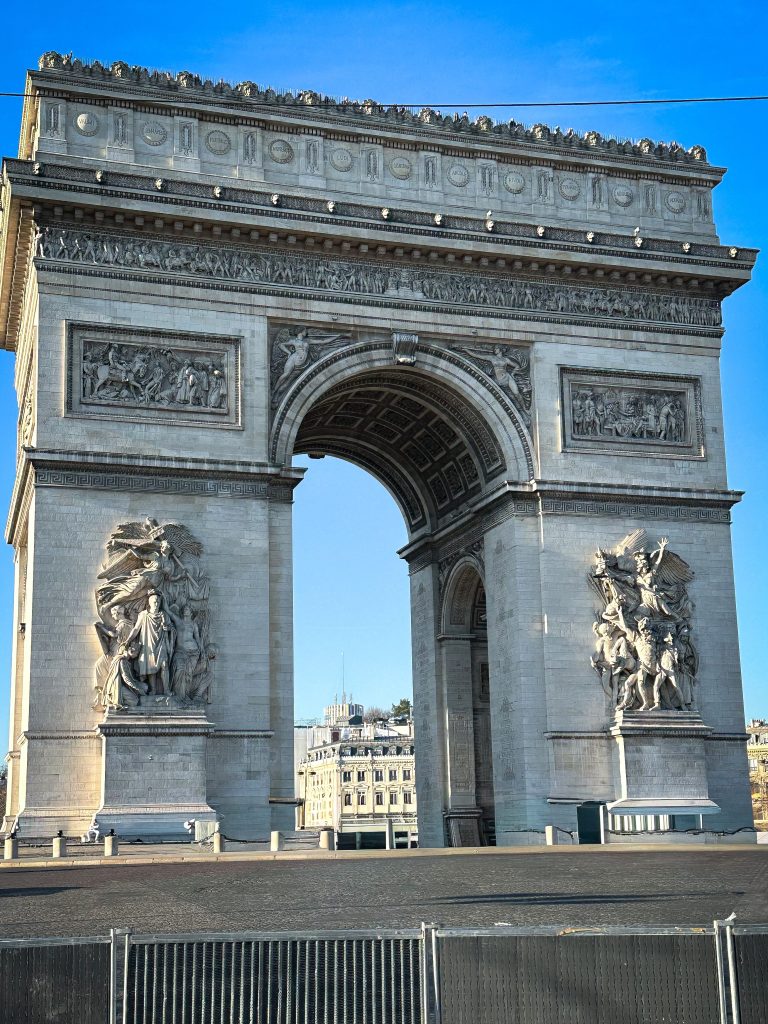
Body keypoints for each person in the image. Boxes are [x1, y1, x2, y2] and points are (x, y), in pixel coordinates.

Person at [127, 591, 176, 695]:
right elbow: (136, 629)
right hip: (148, 644)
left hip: (161, 642)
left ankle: (166, 690)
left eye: (158, 601)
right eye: (154, 601)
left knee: (164, 665)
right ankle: (153, 690)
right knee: (150, 667)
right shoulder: (144, 615)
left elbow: (171, 628)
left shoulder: (164, 614)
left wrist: (167, 628)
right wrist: (128, 640)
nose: (156, 603)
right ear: (149, 602)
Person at [168, 604, 202, 700]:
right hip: (180, 651)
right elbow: (168, 611)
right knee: (179, 669)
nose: (185, 611)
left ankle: (185, 695)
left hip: (193, 652)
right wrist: (161, 597)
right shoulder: (178, 621)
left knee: (189, 673)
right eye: (184, 609)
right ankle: (178, 695)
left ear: (191, 613)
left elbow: (197, 638)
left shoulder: (193, 624)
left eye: (187, 609)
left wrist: (201, 650)